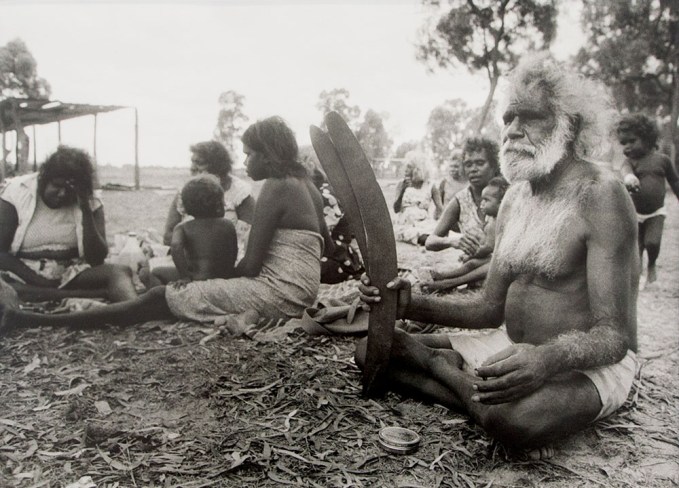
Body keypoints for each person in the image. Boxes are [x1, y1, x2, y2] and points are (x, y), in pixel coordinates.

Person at [357, 52, 639, 451]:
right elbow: (489, 309)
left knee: (516, 420)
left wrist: (547, 359)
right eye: (508, 118)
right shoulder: (513, 200)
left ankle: (444, 373)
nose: (512, 131)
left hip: (584, 365)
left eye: (530, 117)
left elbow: (614, 337)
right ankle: (466, 386)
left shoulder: (601, 195)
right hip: (508, 349)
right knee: (369, 348)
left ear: (569, 125)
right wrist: (407, 304)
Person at [1, 116, 331, 331]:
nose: (244, 162)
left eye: (249, 155)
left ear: (267, 154)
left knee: (159, 296)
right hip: (299, 292)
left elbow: (251, 266)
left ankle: (30, 320)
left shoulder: (276, 186)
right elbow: (324, 248)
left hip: (281, 295)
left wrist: (206, 282)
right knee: (168, 293)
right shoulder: (308, 186)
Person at [0, 146, 137, 303]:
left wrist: (86, 209)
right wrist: (39, 280)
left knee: (119, 272)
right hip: (23, 271)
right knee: (4, 287)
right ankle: (87, 294)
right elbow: (1, 253)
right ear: (43, 179)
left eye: (69, 189)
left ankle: (133, 309)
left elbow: (97, 259)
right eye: (57, 186)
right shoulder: (16, 192)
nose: (62, 194)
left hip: (72, 272)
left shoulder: (88, 199)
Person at [150, 140, 255, 286]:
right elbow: (168, 236)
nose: (193, 167)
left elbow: (251, 235)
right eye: (192, 162)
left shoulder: (240, 192)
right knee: (150, 269)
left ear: (217, 164)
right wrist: (197, 243)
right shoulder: (188, 191)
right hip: (189, 260)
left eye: (198, 162)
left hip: (229, 262)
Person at [616, 113, 679, 284]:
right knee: (636, 248)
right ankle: (639, 273)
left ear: (647, 138)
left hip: (655, 212)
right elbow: (625, 172)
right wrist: (629, 178)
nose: (627, 148)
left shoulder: (663, 160)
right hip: (635, 212)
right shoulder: (630, 162)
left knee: (652, 242)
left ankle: (651, 263)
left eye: (631, 141)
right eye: (624, 143)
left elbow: (674, 180)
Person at [420, 176, 509, 292]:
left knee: (478, 264)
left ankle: (450, 282)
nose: (482, 204)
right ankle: (443, 276)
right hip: (494, 259)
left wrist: (472, 254)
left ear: (501, 203)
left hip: (501, 263)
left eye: (486, 200)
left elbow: (488, 247)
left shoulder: (498, 221)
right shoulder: (491, 218)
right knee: (471, 264)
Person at [425, 138, 501, 257]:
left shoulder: (506, 194)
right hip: (474, 267)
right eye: (468, 164)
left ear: (494, 165)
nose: (473, 169)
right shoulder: (461, 200)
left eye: (480, 163)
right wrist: (452, 241)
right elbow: (430, 241)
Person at [170, 174, 237, 282]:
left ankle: (166, 298)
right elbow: (233, 252)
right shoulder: (228, 225)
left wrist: (184, 276)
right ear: (219, 205)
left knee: (156, 275)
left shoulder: (183, 227)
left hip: (196, 280)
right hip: (224, 280)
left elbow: (176, 246)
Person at [392, 151, 437, 246]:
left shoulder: (430, 186)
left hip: (424, 221)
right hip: (406, 223)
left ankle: (432, 239)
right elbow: (396, 209)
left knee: (435, 231)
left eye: (409, 167)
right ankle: (428, 240)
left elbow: (441, 209)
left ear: (417, 169)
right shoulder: (401, 184)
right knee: (413, 234)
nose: (405, 169)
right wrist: (403, 191)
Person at [432, 152, 466, 218]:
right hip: (448, 219)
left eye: (456, 166)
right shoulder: (444, 182)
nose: (453, 169)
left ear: (463, 167)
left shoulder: (470, 183)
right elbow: (438, 205)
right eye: (451, 166)